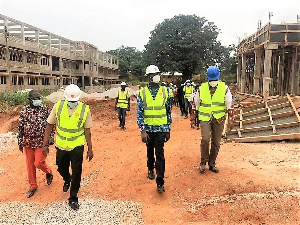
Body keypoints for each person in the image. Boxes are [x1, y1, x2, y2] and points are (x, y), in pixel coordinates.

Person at [42, 84, 94, 210]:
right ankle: (67, 179)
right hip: (61, 146)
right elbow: (49, 125)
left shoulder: (84, 109)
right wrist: (44, 144)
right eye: (70, 101)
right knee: (61, 167)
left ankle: (73, 197)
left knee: (77, 172)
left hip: (77, 147)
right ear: (65, 98)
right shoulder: (58, 106)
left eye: (74, 101)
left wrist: (90, 149)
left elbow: (87, 130)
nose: (72, 103)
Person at [137, 65, 172, 193]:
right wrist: (142, 131)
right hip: (148, 128)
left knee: (160, 154)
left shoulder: (165, 91)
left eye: (157, 74)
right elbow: (139, 114)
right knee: (150, 151)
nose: (156, 77)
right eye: (153, 75)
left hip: (161, 128)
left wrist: (168, 128)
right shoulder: (142, 92)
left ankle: (160, 182)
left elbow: (168, 111)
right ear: (149, 77)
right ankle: (150, 168)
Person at [195, 66, 234, 173]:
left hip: (219, 118)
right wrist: (194, 116)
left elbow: (229, 104)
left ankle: (212, 163)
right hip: (205, 117)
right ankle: (203, 162)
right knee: (205, 139)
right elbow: (196, 103)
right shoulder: (201, 88)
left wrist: (231, 118)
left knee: (216, 142)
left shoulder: (224, 88)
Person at [18, 90, 54, 198]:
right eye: (35, 99)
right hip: (28, 142)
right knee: (30, 165)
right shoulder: (24, 111)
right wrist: (20, 141)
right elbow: (20, 127)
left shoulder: (45, 110)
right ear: (30, 100)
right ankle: (33, 186)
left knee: (38, 162)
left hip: (41, 142)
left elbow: (51, 124)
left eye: (39, 98)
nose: (38, 100)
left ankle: (48, 171)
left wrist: (50, 138)